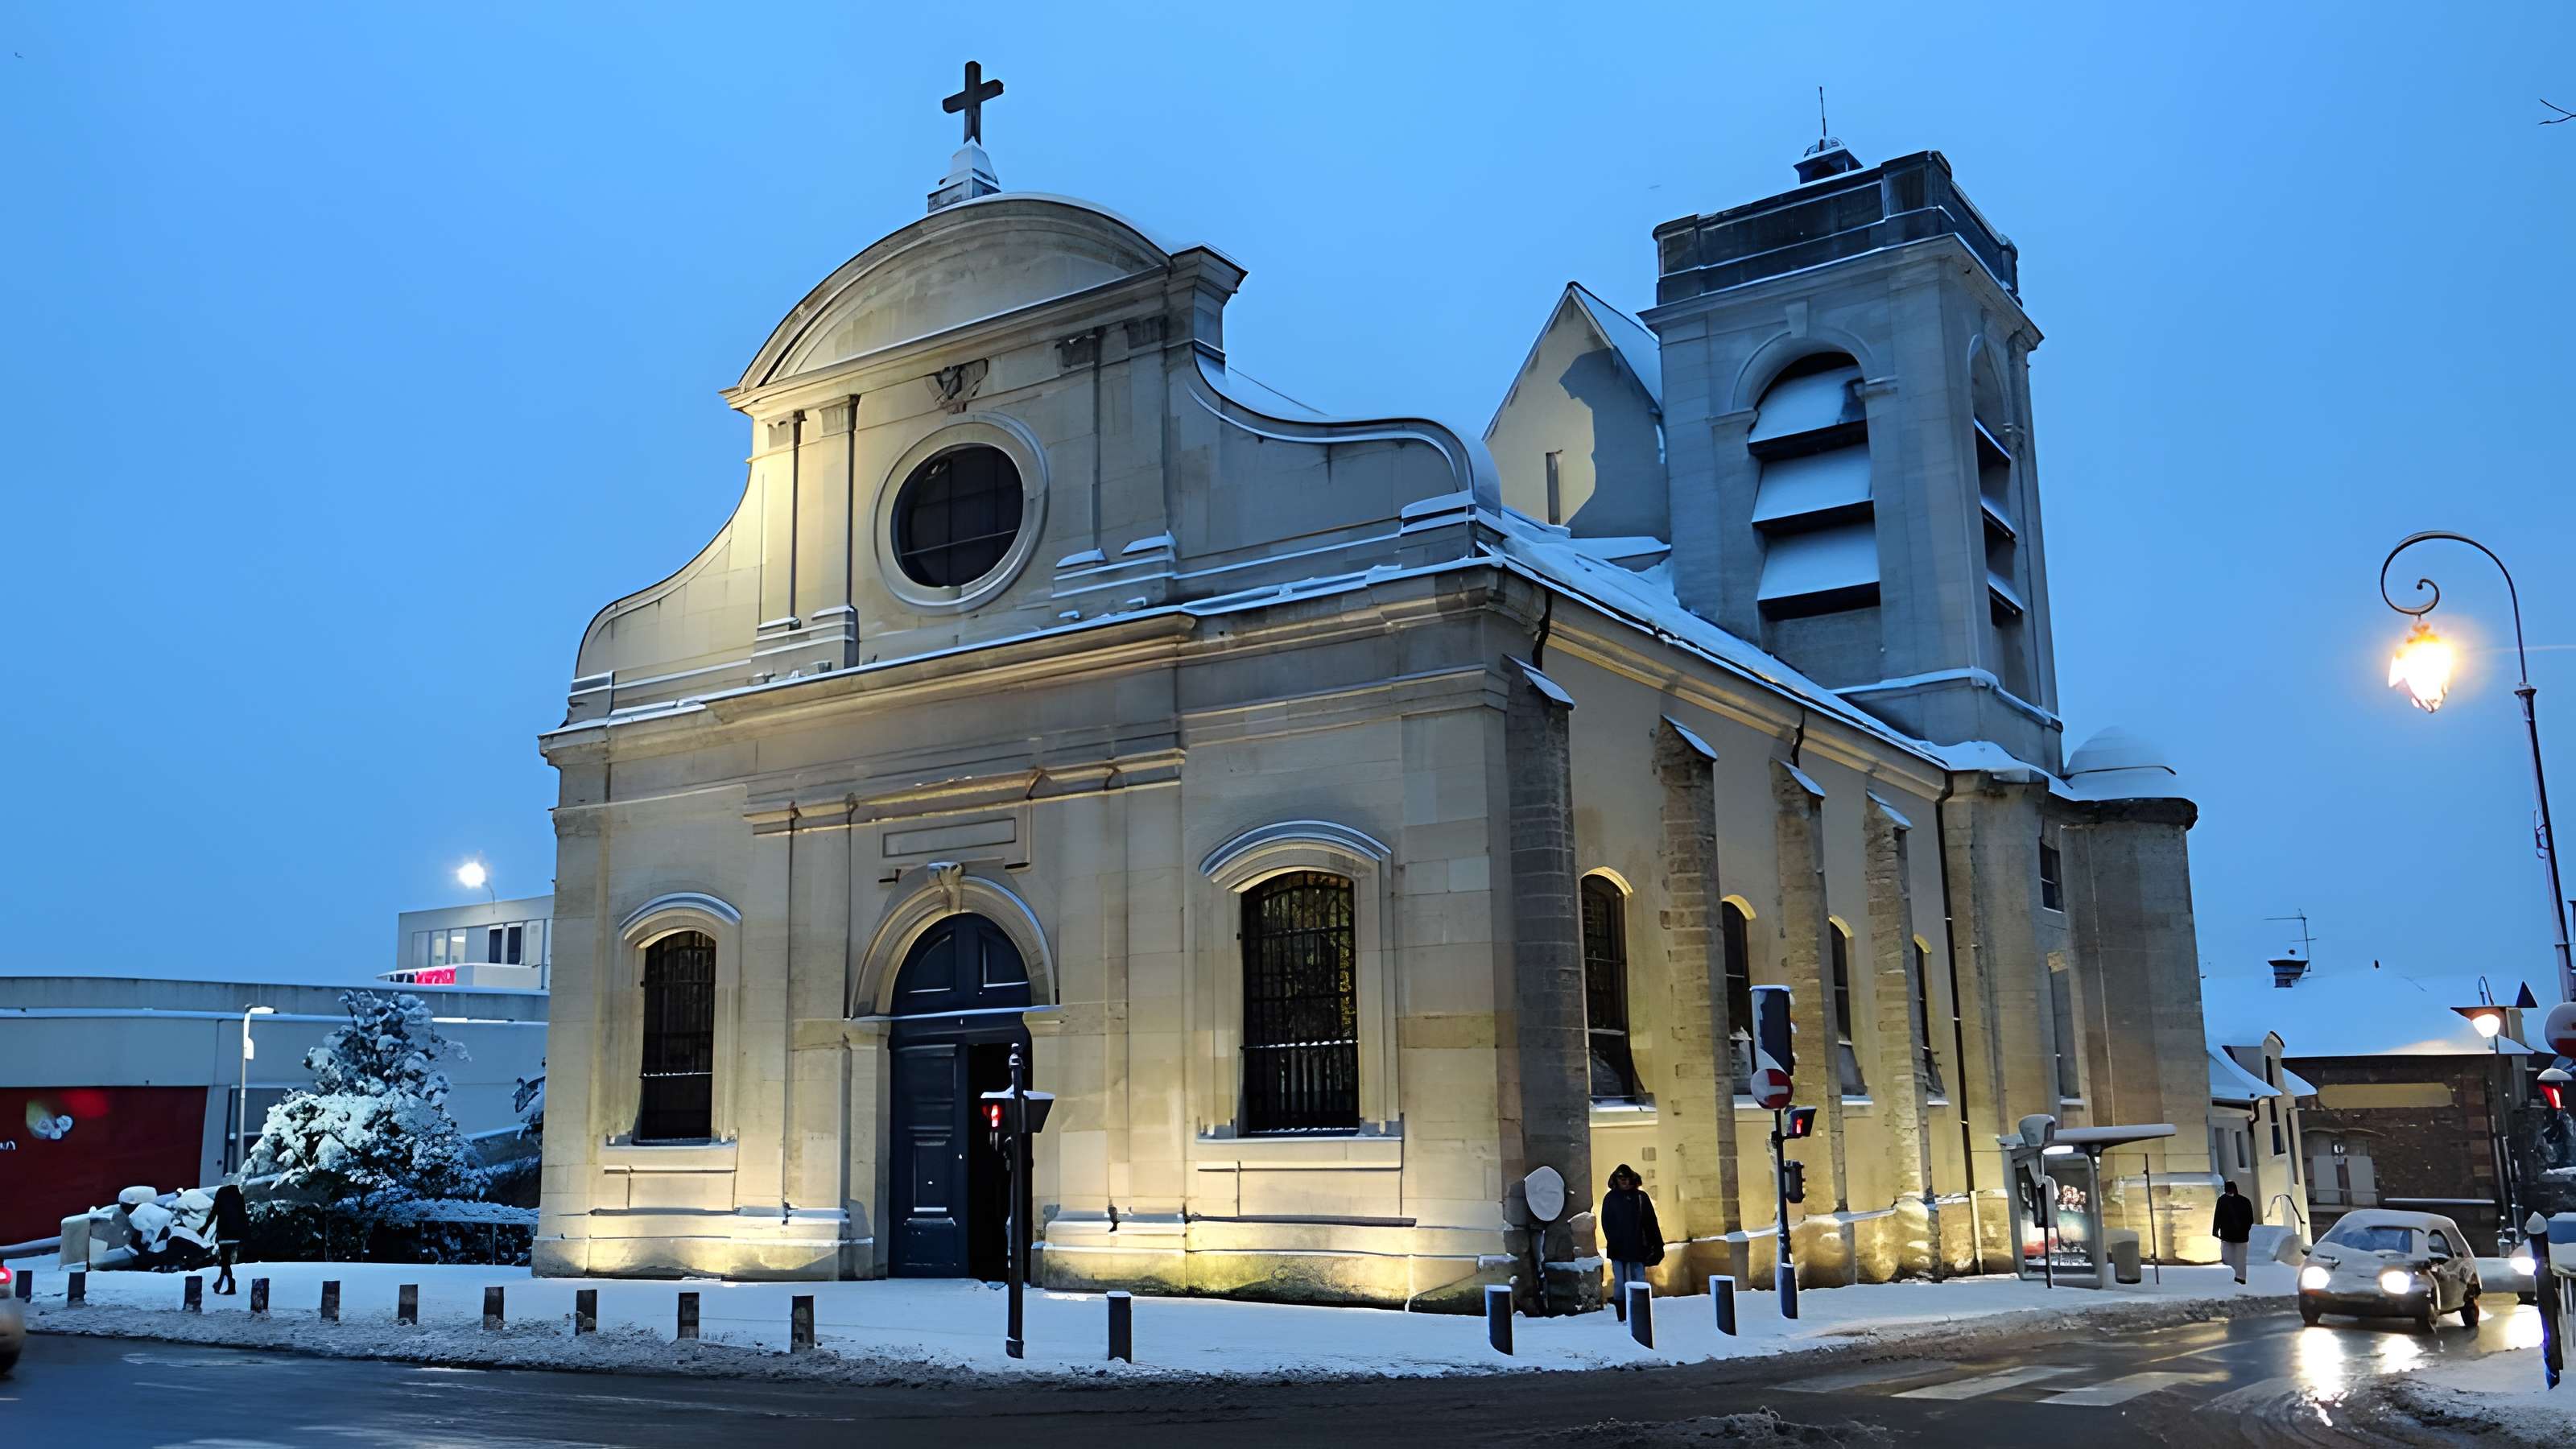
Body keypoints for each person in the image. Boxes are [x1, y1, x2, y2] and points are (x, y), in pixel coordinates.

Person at [1599, 1163, 1664, 1322]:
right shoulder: (1611, 1198)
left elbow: (1650, 1222)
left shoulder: (1641, 1198)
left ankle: (1639, 1313)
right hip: (1619, 1248)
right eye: (1622, 1179)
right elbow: (1606, 1223)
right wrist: (1615, 1240)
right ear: (1616, 1179)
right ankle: (1622, 1316)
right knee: (1620, 1283)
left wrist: (1657, 1244)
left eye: (1628, 1179)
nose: (1625, 1182)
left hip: (1637, 1248)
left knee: (1638, 1281)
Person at [210, 1183, 250, 1295]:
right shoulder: (238, 1195)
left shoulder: (221, 1194)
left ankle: (230, 1284)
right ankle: (220, 1283)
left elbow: (214, 1213)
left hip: (224, 1234)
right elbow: (243, 1216)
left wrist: (204, 1228)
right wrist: (245, 1235)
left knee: (225, 1261)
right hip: (235, 1235)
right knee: (225, 1261)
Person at [2212, 1179, 2254, 1285]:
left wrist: (2216, 1230)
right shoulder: (2245, 1201)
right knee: (2240, 1258)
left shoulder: (2222, 1200)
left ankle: (2236, 1277)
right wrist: (2245, 1229)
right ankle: (2240, 1277)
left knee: (2229, 1258)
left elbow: (2218, 1216)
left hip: (2228, 1235)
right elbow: (2250, 1219)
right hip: (2240, 1236)